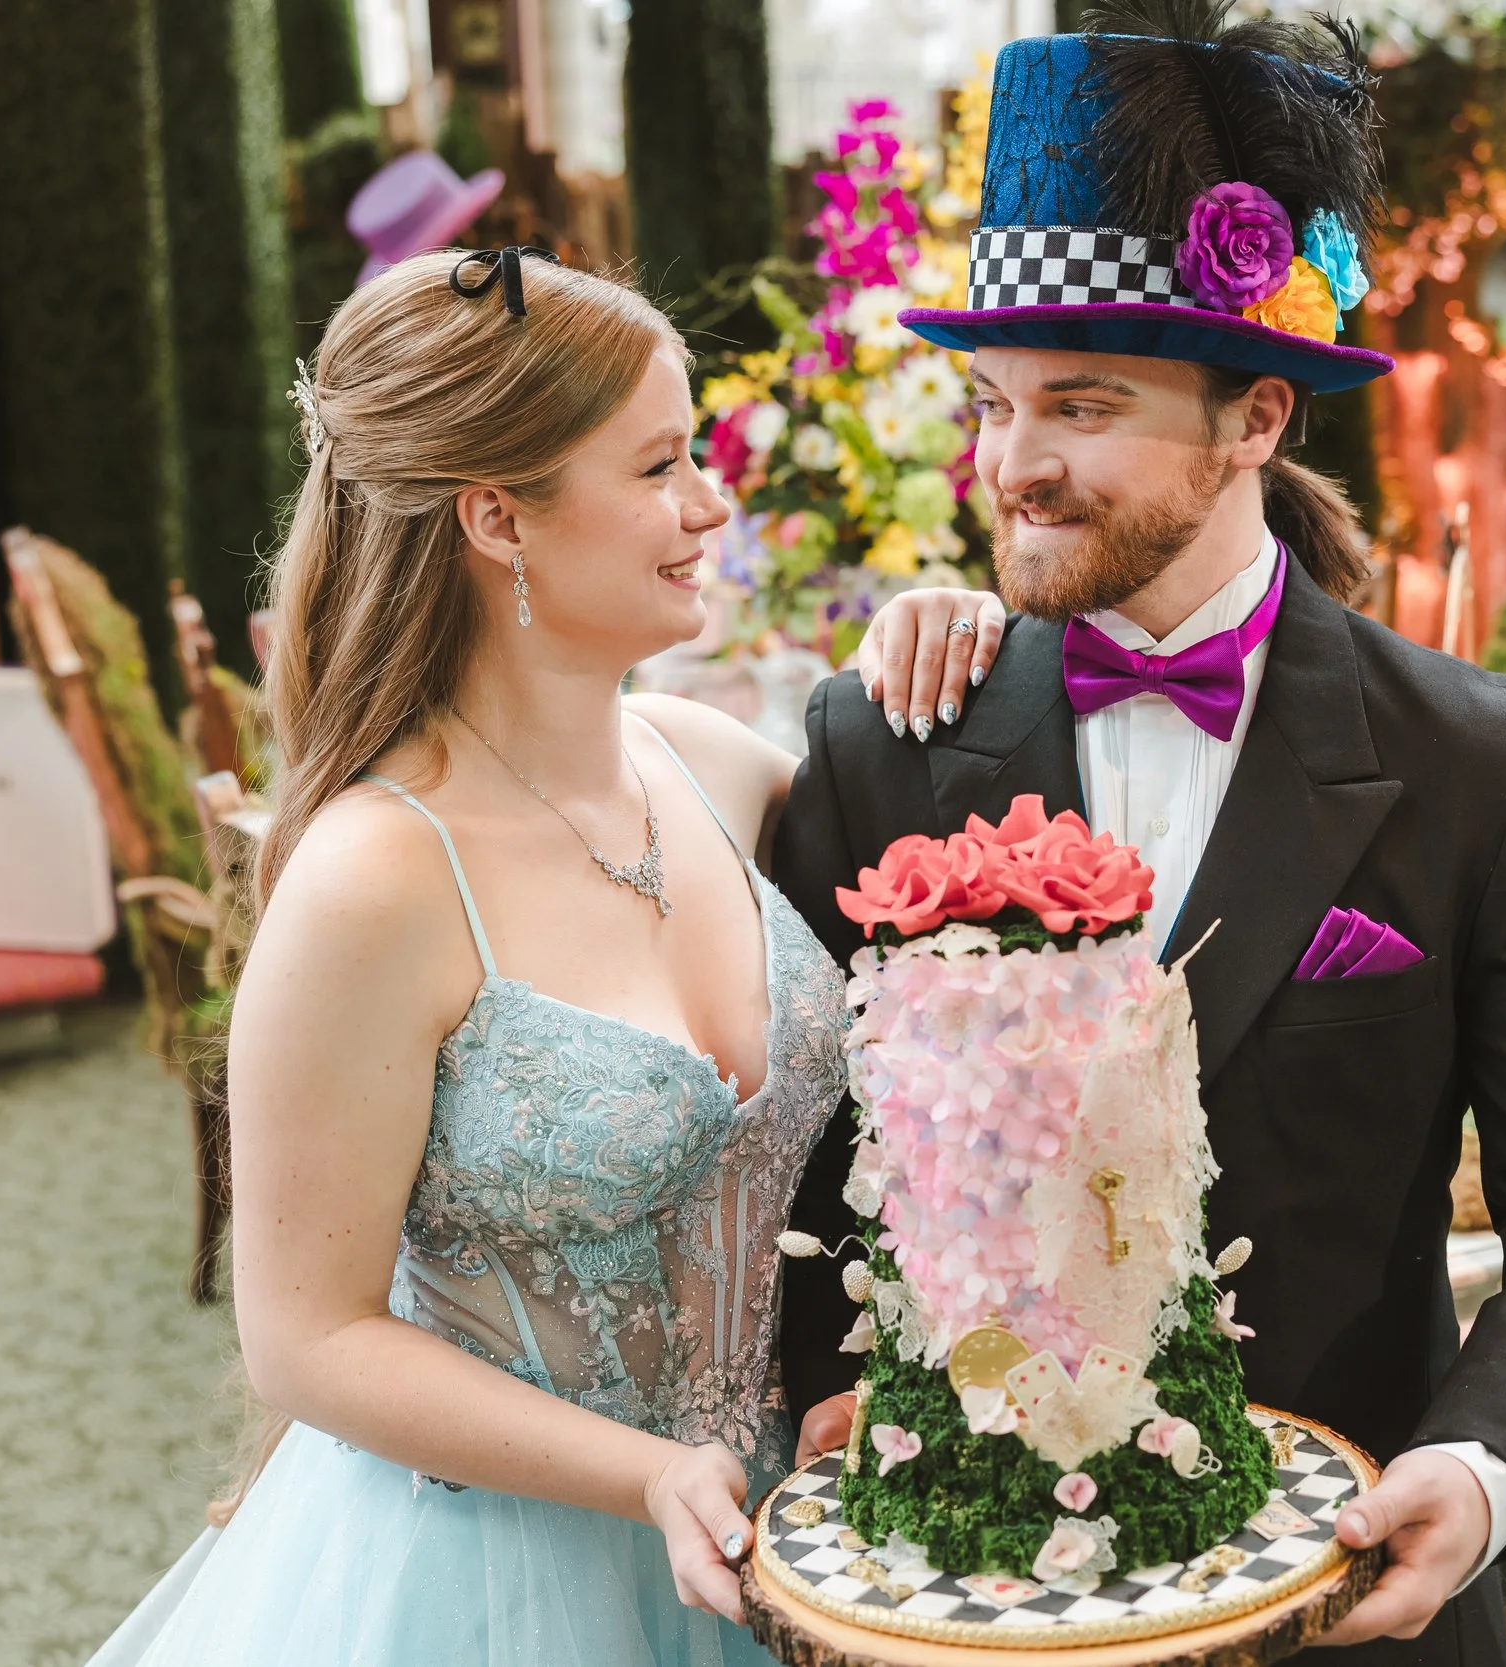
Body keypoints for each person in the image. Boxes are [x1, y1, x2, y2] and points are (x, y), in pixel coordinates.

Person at [773, 11, 1506, 1665]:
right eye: (993, 406)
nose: (1012, 465)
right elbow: (789, 1158)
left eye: (1081, 405)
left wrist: (1478, 1470)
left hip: (1350, 1593)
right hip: (962, 1608)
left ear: (1256, 419)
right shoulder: (886, 736)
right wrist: (827, 1396)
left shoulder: (1491, 767)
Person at [85, 247, 994, 1667]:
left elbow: (944, 898)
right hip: (500, 1574)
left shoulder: (710, 767)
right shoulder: (377, 878)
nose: (711, 506)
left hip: (785, 1523)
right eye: (659, 468)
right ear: (498, 516)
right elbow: (306, 1338)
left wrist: (953, 625)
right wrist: (637, 1471)